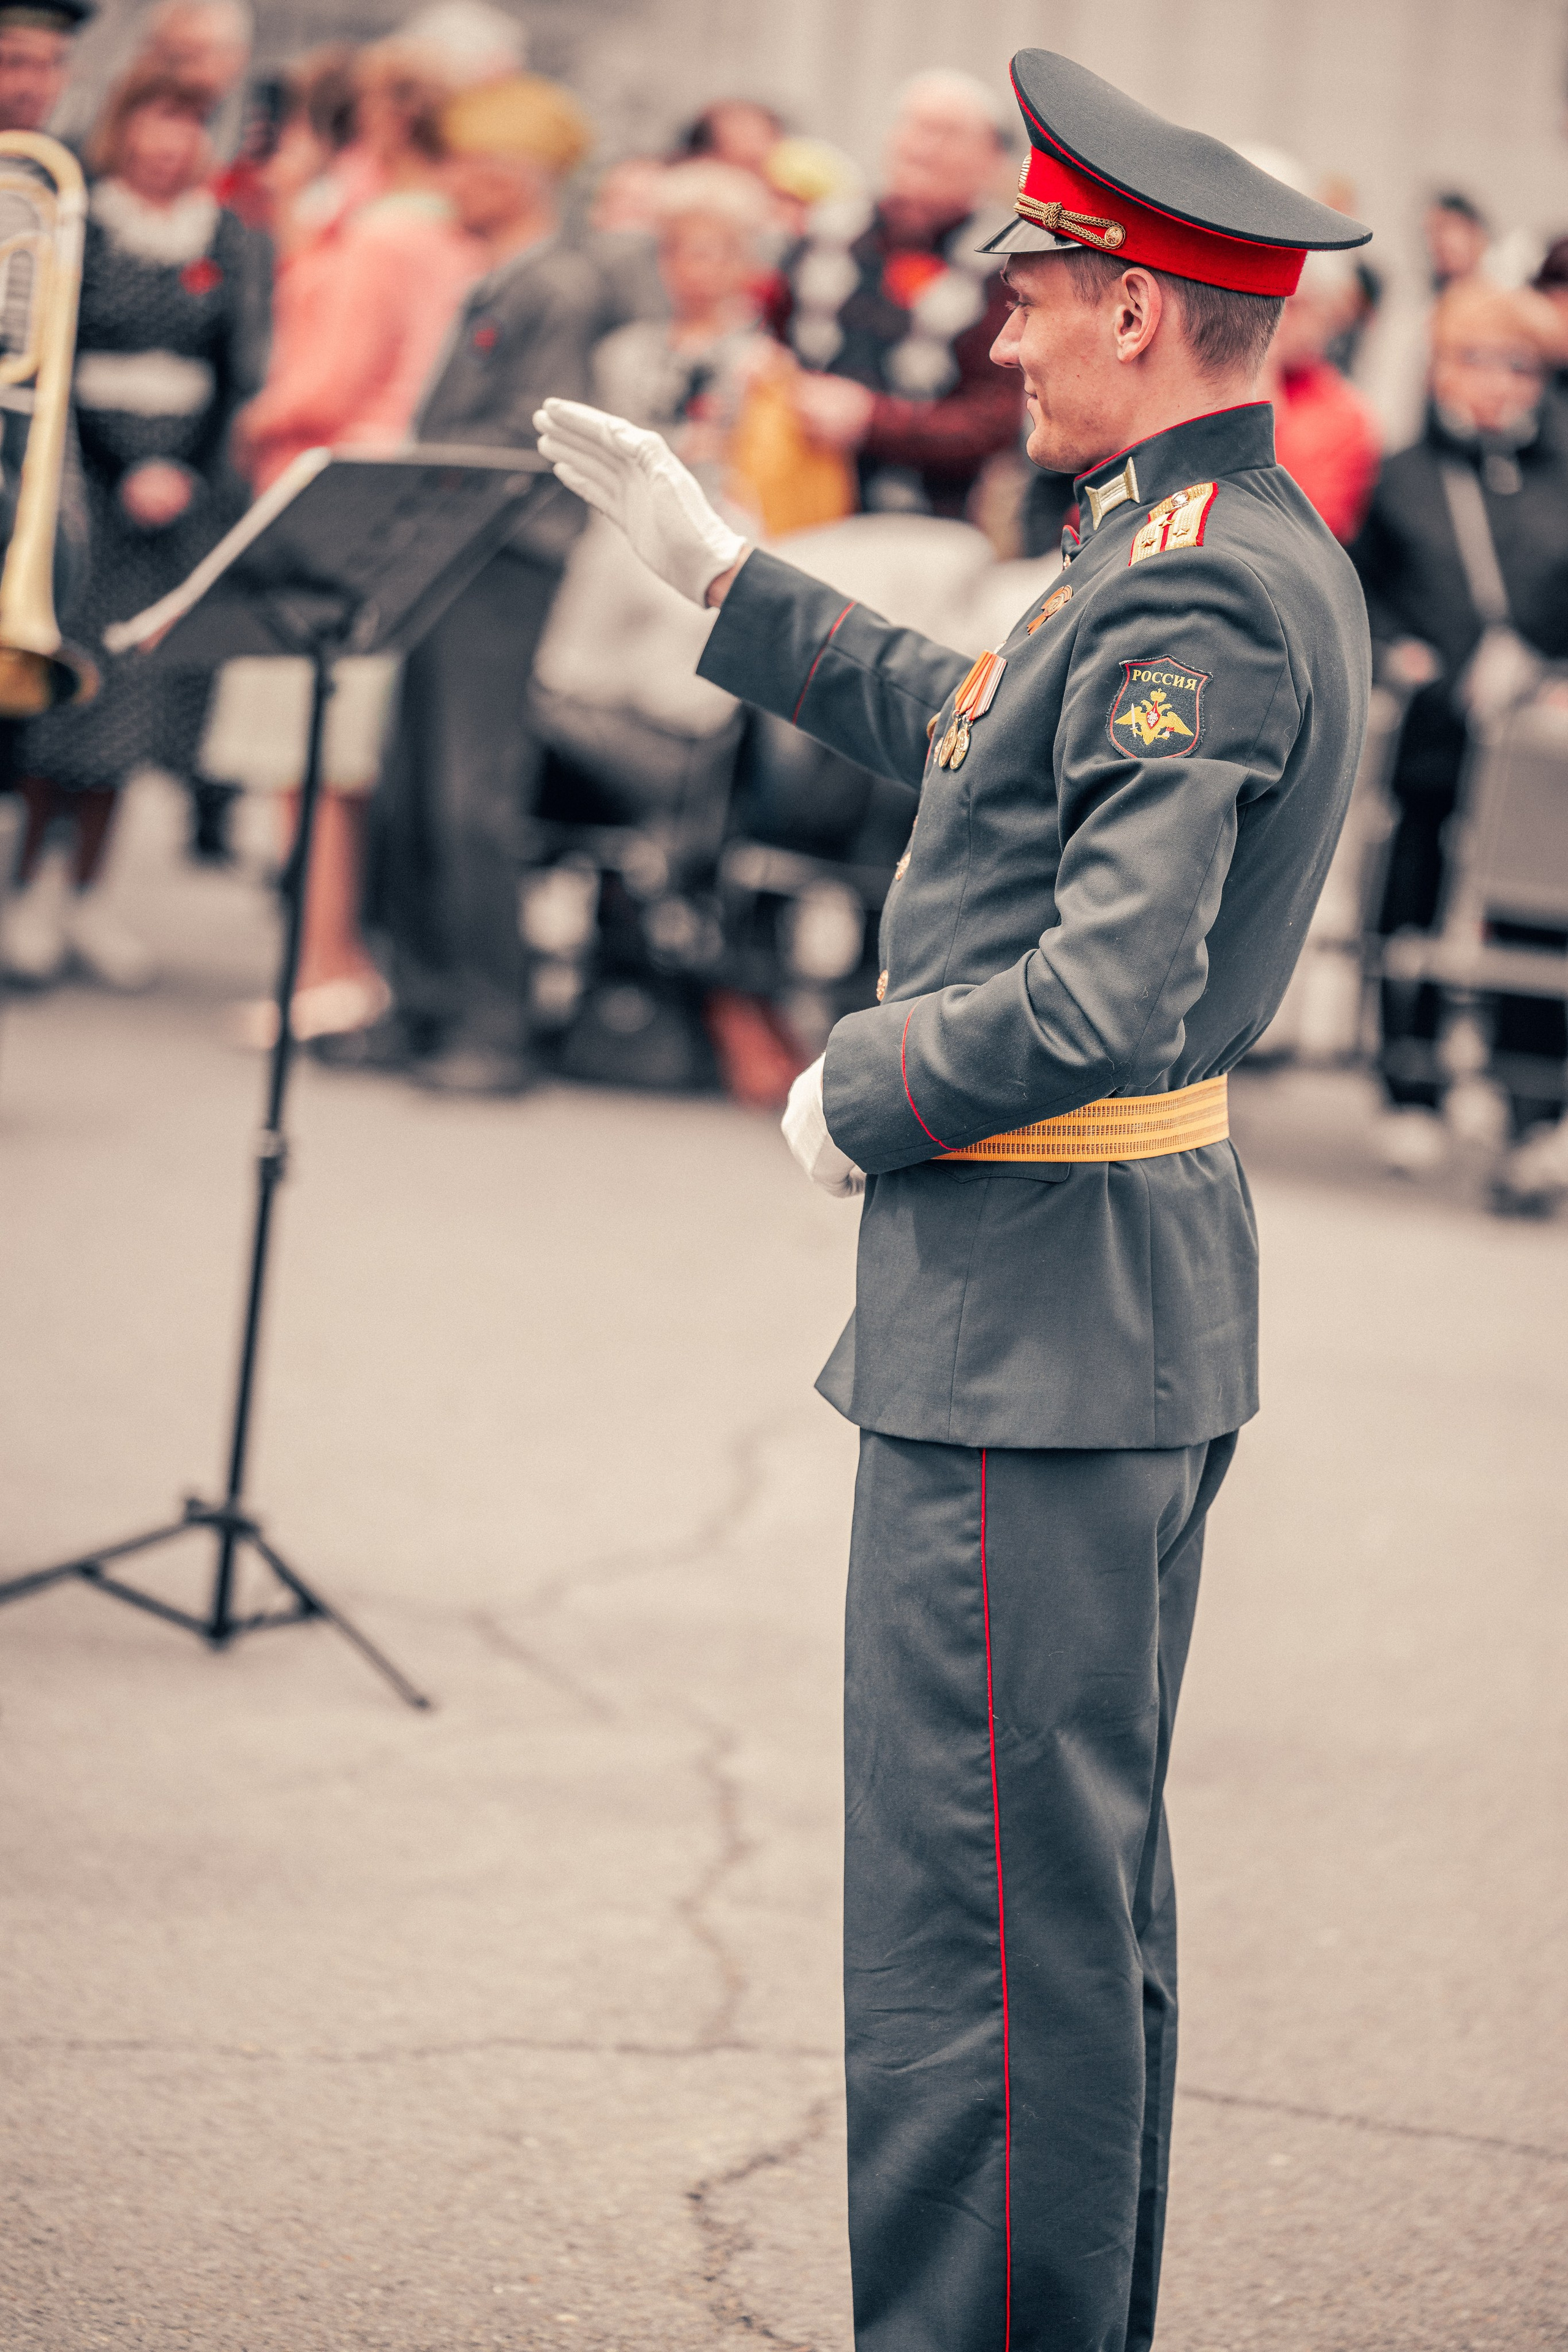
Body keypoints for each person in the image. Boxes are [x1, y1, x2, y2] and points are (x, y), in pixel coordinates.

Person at [537, 45, 1372, 2352]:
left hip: (1039, 1317)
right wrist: (723, 572)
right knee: (1056, 1914)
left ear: (1133, 307)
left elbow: (1105, 989)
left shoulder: (1188, 599)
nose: (993, 335)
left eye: (1030, 296)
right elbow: (974, 718)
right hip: (1094, 1313)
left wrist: (868, 1080)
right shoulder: (1172, 550)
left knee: (976, 1937)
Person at [333, 70, 597, 1095]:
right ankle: (423, 1001)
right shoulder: (504, 276)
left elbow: (531, 432)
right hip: (450, 554)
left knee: (469, 795)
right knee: (409, 787)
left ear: (516, 176)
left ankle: (492, 1022)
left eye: (468, 163)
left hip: (502, 558)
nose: (448, 179)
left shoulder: (554, 287)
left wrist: (415, 462)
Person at [218, 38, 480, 1048]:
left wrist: (244, 419)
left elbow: (324, 381)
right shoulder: (450, 232)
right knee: (349, 753)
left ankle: (324, 966)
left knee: (308, 754)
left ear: (376, 122)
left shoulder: (382, 237)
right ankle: (343, 962)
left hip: (327, 494)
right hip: (404, 497)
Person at [1, 66, 261, 991]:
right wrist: (118, 463)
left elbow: (236, 368)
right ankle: (26, 883)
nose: (169, 147)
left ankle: (89, 893)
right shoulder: (88, 223)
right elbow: (57, 351)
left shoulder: (225, 239)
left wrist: (189, 468)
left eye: (188, 128)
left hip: (177, 492)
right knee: (68, 693)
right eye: (156, 125)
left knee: (135, 704)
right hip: (89, 481)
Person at [1351, 277, 1568, 1207]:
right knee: (1412, 895)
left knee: (1533, 909)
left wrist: (1542, 661)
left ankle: (1535, 1105)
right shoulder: (1401, 473)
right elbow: (1360, 590)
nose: (1494, 382)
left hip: (1538, 745)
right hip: (1434, 729)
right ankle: (1412, 1079)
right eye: (1472, 357)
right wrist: (1404, 655)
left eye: (1516, 364)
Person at [770, 69, 1021, 521]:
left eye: (947, 133)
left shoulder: (1006, 267)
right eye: (913, 125)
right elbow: (766, 337)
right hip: (792, 503)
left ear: (993, 159)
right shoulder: (825, 229)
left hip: (921, 523)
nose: (924, 146)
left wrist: (872, 422)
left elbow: (999, 418)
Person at [1264, 251, 1381, 543]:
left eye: (1294, 305)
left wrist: (1264, 404)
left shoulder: (1346, 416)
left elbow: (1308, 530)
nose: (1275, 317)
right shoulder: (1212, 379)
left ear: (1331, 315)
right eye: (1267, 299)